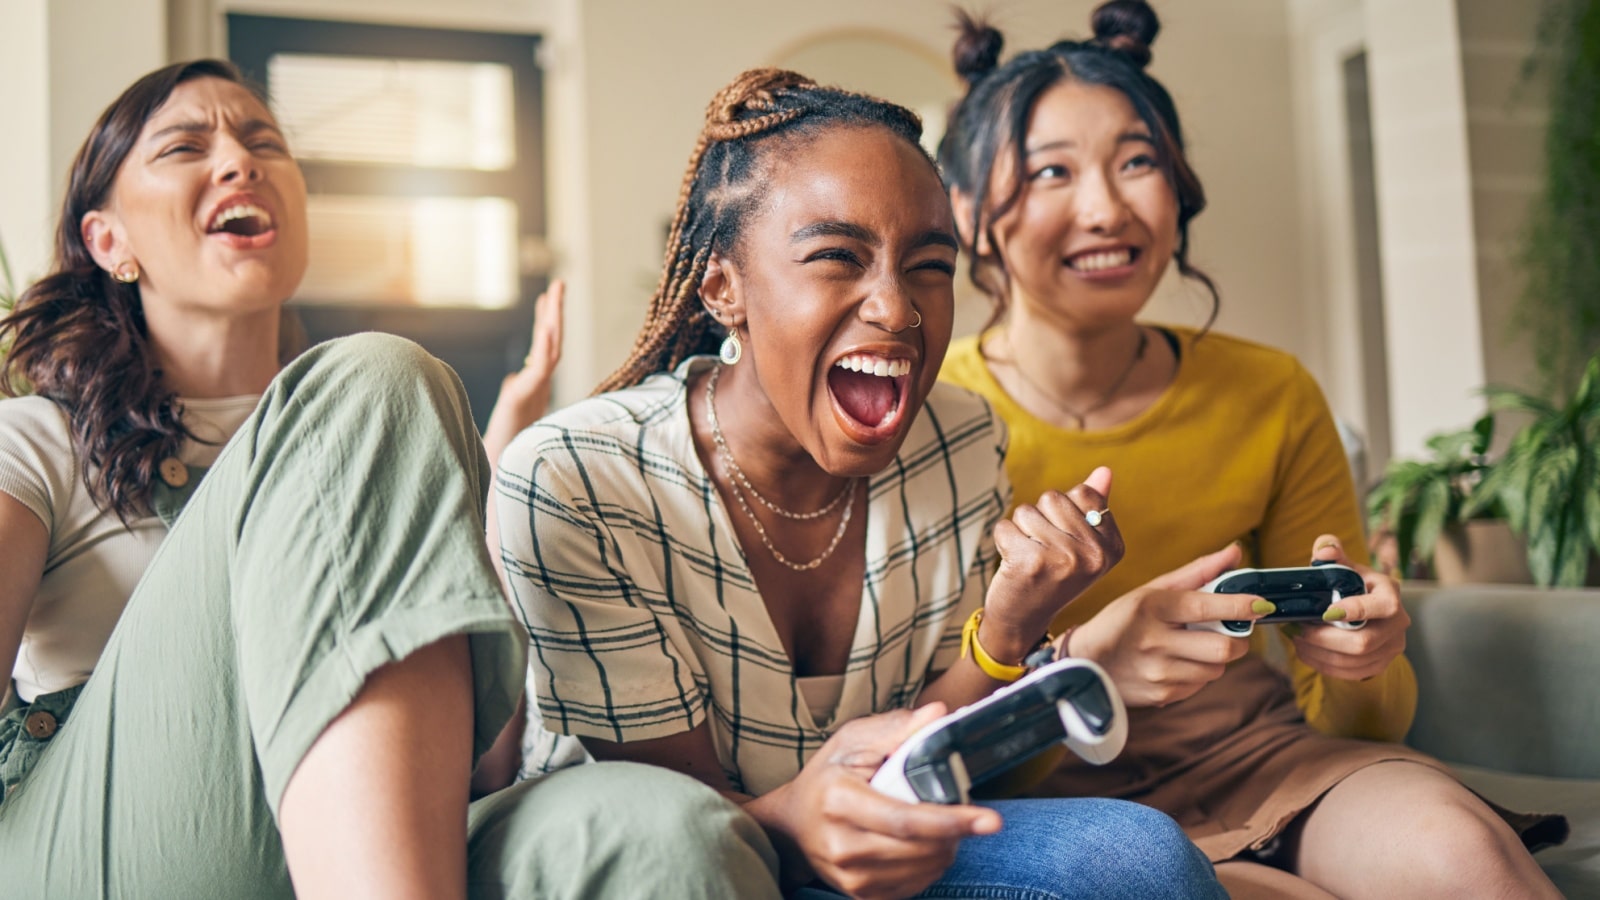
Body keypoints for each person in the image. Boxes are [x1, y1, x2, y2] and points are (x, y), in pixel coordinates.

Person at [0, 59, 779, 898]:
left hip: (345, 863)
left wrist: (493, 500)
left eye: (264, 141)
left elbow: (482, 769)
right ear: (106, 240)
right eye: (186, 147)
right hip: (93, 856)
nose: (241, 160)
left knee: (668, 835)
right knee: (373, 384)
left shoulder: (378, 441)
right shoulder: (37, 442)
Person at [495, 67, 1228, 900]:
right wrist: (804, 820)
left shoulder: (959, 439)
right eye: (837, 257)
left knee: (1139, 860)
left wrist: (1015, 622)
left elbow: (922, 755)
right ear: (722, 288)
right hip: (660, 858)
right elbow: (682, 819)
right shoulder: (581, 478)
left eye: (928, 265)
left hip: (869, 836)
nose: (897, 309)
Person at [935, 4, 1567, 898]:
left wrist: (1363, 657)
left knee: (1465, 853)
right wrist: (1071, 670)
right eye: (1051, 172)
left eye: (1139, 162)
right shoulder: (933, 417)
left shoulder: (1270, 394)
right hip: (1051, 807)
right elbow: (932, 727)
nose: (1106, 208)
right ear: (966, 211)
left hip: (1265, 758)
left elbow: (1357, 723)